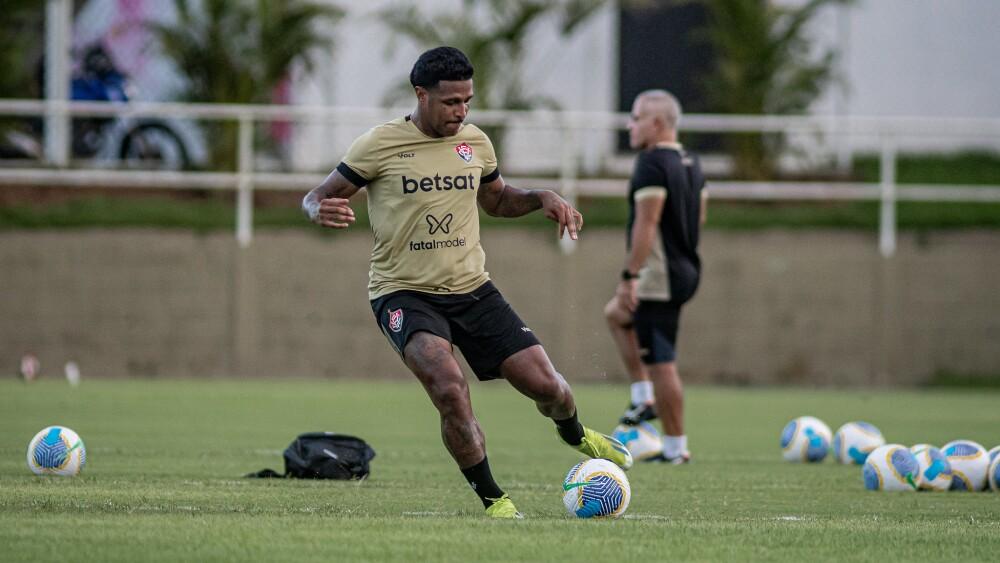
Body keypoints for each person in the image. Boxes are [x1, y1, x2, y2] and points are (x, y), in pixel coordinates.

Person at [302, 46, 632, 519]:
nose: (461, 112)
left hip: (473, 289)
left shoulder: (474, 142)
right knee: (448, 386)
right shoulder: (377, 144)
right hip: (404, 293)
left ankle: (577, 434)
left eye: (467, 101)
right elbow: (317, 195)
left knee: (549, 389)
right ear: (421, 95)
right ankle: (495, 500)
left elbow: (497, 201)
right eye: (451, 102)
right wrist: (318, 209)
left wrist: (543, 197)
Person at [604, 89, 707, 464]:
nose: (630, 125)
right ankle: (642, 395)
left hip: (659, 276)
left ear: (658, 123)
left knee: (662, 361)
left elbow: (646, 224)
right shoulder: (692, 161)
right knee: (616, 314)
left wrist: (631, 275)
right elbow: (700, 218)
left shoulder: (651, 163)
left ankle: (676, 448)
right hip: (687, 268)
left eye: (636, 118)